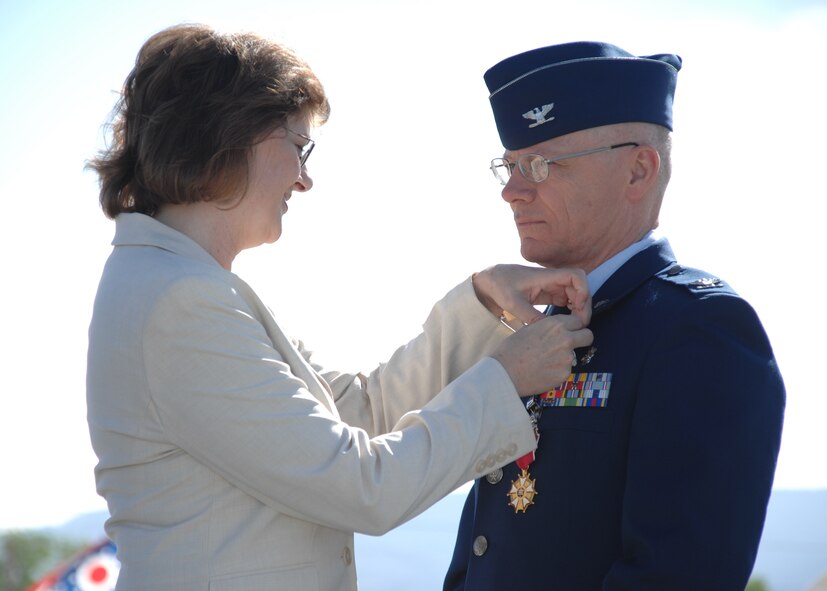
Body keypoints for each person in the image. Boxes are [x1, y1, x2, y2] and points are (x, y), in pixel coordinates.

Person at [84, 24, 595, 591]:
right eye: (298, 146)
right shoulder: (181, 302)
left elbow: (357, 411)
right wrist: (505, 379)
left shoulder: (182, 285)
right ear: (226, 135)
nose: (305, 179)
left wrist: (481, 303)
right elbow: (361, 485)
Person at [444, 41, 786, 591]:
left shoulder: (698, 330)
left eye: (539, 164)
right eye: (508, 166)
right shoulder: (538, 326)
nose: (511, 191)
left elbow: (676, 575)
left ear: (637, 171)